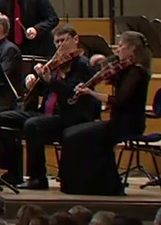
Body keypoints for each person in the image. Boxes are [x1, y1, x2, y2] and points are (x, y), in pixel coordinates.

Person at [0, 24, 97, 189]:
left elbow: (72, 93)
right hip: (48, 114)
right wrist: (33, 83)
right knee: (4, 118)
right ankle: (13, 172)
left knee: (33, 125)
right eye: (57, 42)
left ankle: (38, 178)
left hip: (71, 116)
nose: (60, 45)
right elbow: (45, 91)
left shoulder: (81, 65)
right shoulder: (55, 63)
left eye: (63, 40)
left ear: (76, 40)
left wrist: (50, 81)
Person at [59, 31, 151, 195]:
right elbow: (109, 76)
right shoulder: (127, 69)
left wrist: (90, 92)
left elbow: (119, 100)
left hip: (127, 124)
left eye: (121, 46)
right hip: (117, 122)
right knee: (69, 133)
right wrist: (99, 66)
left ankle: (91, 185)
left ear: (132, 49)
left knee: (74, 136)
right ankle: (82, 182)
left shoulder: (137, 72)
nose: (117, 50)